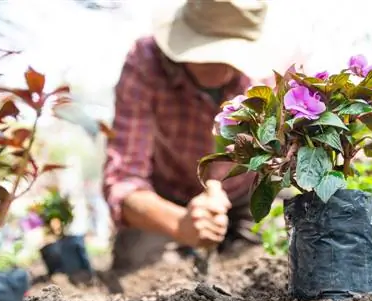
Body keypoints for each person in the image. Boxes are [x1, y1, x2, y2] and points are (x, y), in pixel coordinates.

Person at [103, 0, 276, 273]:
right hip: (167, 198)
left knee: (266, 260)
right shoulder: (146, 63)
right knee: (142, 267)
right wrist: (179, 224)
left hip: (242, 198)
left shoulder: (261, 79)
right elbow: (124, 179)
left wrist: (217, 190)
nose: (221, 66)